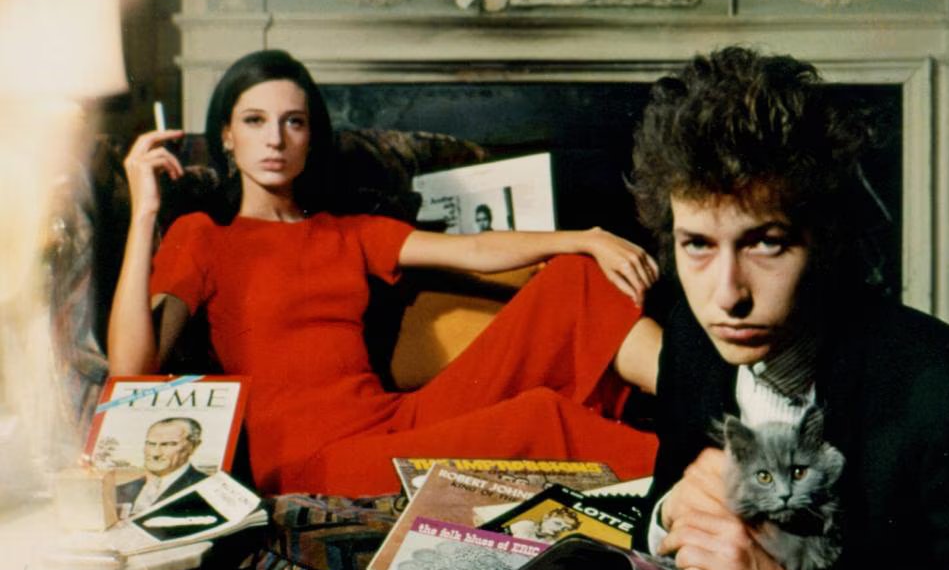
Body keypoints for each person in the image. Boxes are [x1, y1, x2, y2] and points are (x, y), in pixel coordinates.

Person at [516, 47, 949, 570]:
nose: (728, 294)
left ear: (827, 240)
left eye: (765, 243)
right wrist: (676, 514)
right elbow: (663, 514)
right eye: (698, 245)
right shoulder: (696, 340)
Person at [108, 49, 664, 496]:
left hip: (394, 421)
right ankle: (685, 479)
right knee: (539, 419)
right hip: (314, 462)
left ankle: (702, 400)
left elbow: (473, 249)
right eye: (255, 121)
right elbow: (132, 368)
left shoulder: (346, 231)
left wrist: (583, 238)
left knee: (572, 280)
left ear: (310, 137)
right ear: (228, 135)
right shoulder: (204, 236)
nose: (275, 138)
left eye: (293, 122)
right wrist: (146, 213)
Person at [116, 416, 209, 517]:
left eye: (168, 444)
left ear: (193, 446)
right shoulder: (118, 491)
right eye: (151, 444)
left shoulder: (208, 489)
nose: (155, 453)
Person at [506, 506, 581, 542]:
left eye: (564, 529)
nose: (559, 529)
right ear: (546, 517)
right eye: (557, 523)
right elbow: (500, 534)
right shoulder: (525, 525)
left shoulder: (552, 544)